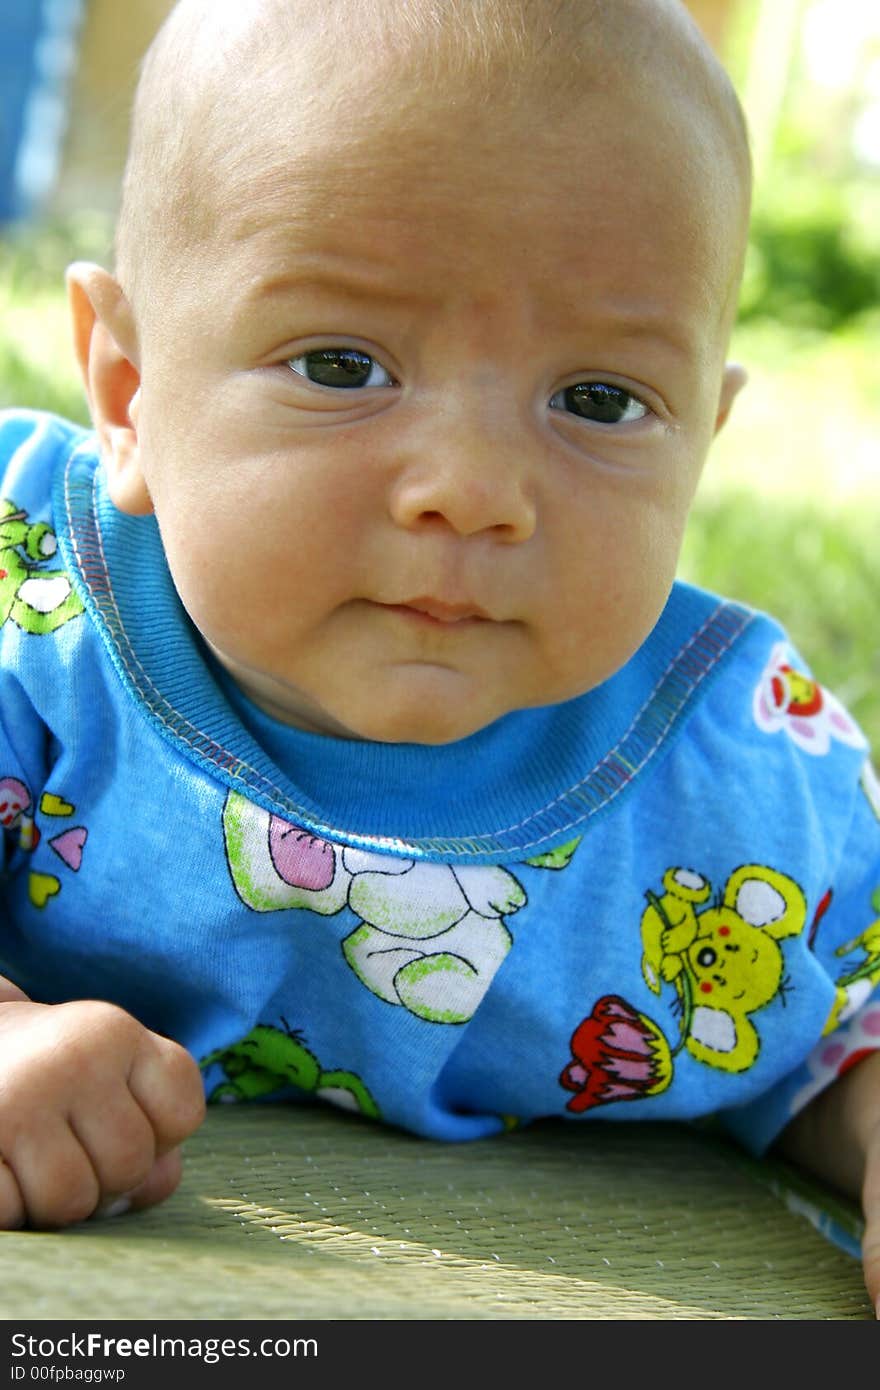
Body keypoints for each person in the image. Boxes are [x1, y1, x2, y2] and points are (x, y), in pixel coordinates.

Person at [1, 0, 879, 1310]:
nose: (471, 491)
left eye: (598, 400)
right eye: (344, 364)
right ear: (127, 394)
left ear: (702, 435)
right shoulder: (37, 605)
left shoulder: (734, 768)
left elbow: (841, 1027)